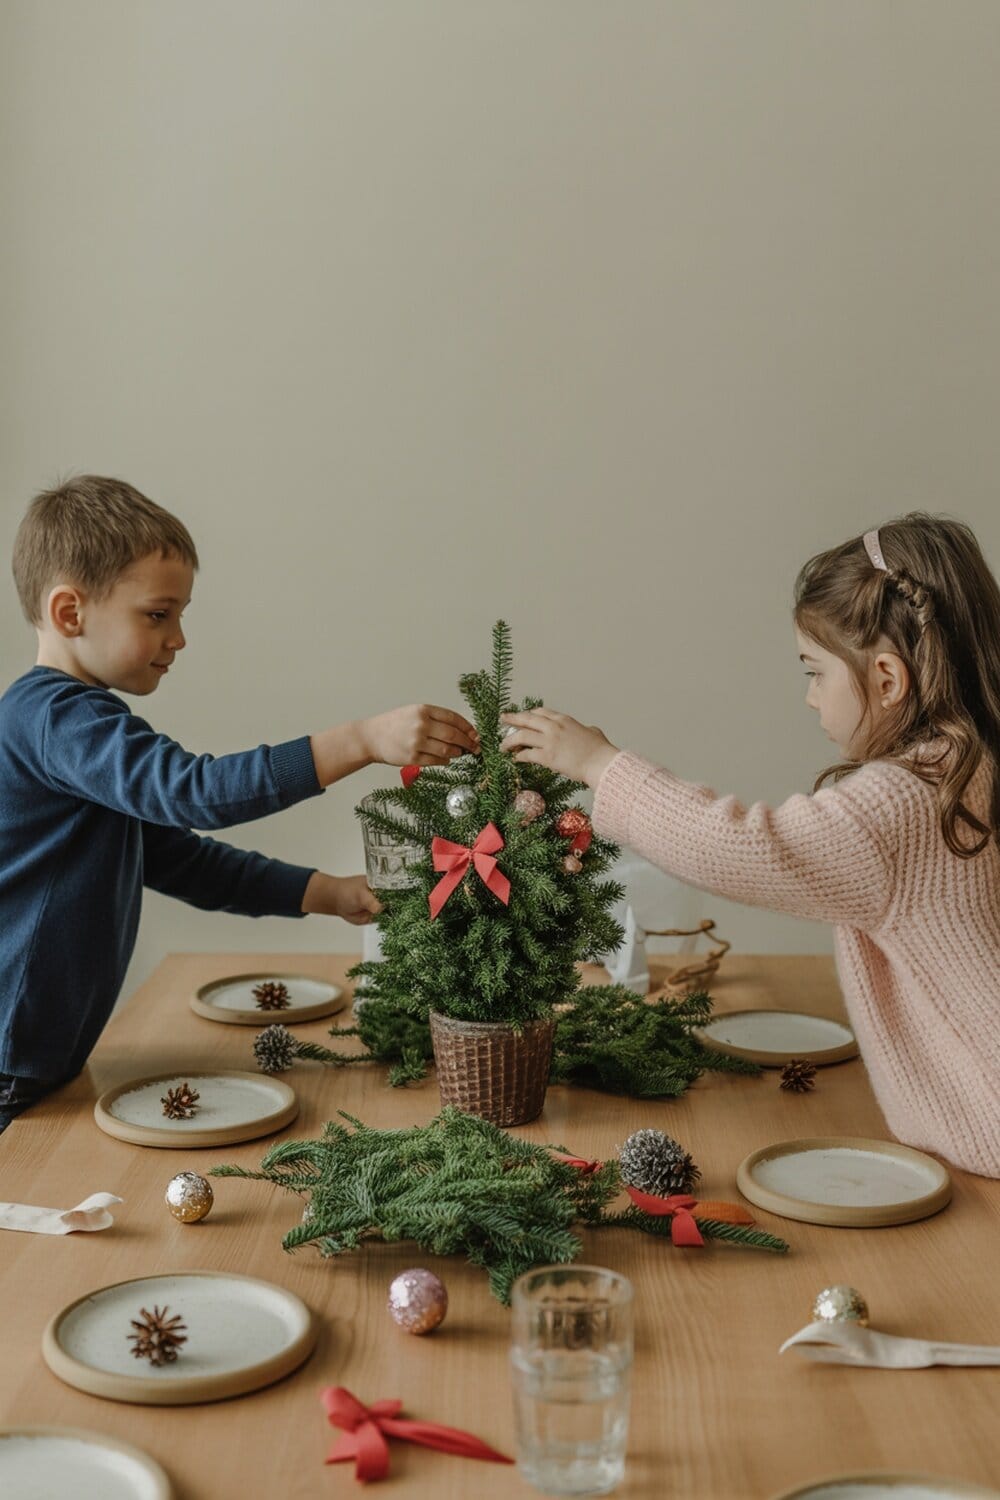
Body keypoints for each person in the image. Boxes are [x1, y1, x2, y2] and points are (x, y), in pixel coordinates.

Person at [502, 514, 1000, 1177]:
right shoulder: (974, 766)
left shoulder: (904, 805)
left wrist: (601, 764)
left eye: (816, 673)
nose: (810, 697)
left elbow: (743, 846)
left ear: (886, 680)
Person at [0, 475, 478, 1129]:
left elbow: (177, 860)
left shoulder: (73, 735)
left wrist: (325, 892)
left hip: (36, 1057)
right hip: (11, 1063)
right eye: (157, 614)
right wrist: (361, 740)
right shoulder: (54, 721)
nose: (179, 638)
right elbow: (193, 793)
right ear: (69, 613)